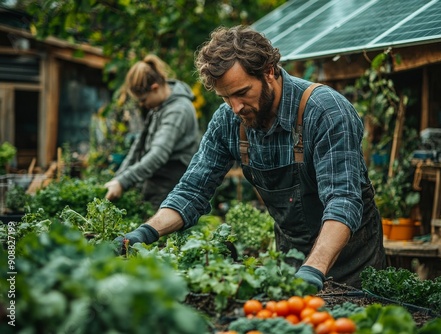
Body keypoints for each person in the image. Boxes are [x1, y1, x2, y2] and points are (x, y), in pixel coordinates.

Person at [115, 26, 386, 289]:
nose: (235, 108)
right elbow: (191, 190)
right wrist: (142, 234)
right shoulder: (228, 121)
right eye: (225, 98)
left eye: (242, 93)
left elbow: (342, 200)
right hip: (291, 260)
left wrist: (313, 268)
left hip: (353, 266)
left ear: (269, 72)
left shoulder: (325, 112)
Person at [104, 54, 199, 208]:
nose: (143, 105)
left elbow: (158, 155)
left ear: (155, 88)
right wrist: (118, 178)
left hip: (172, 187)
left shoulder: (178, 110)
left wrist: (123, 182)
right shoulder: (159, 107)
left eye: (143, 100)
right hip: (156, 183)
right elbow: (138, 147)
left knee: (157, 230)